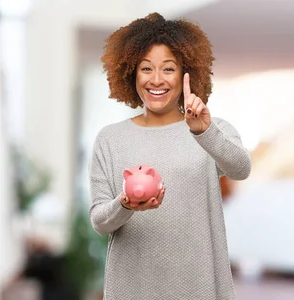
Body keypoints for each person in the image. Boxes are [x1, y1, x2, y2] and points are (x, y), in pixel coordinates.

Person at [89, 12, 252, 300]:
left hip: (198, 287)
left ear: (186, 74)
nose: (156, 80)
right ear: (131, 73)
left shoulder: (212, 129)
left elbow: (241, 169)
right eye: (146, 68)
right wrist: (126, 203)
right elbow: (100, 222)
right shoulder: (110, 139)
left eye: (168, 69)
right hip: (132, 287)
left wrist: (204, 132)